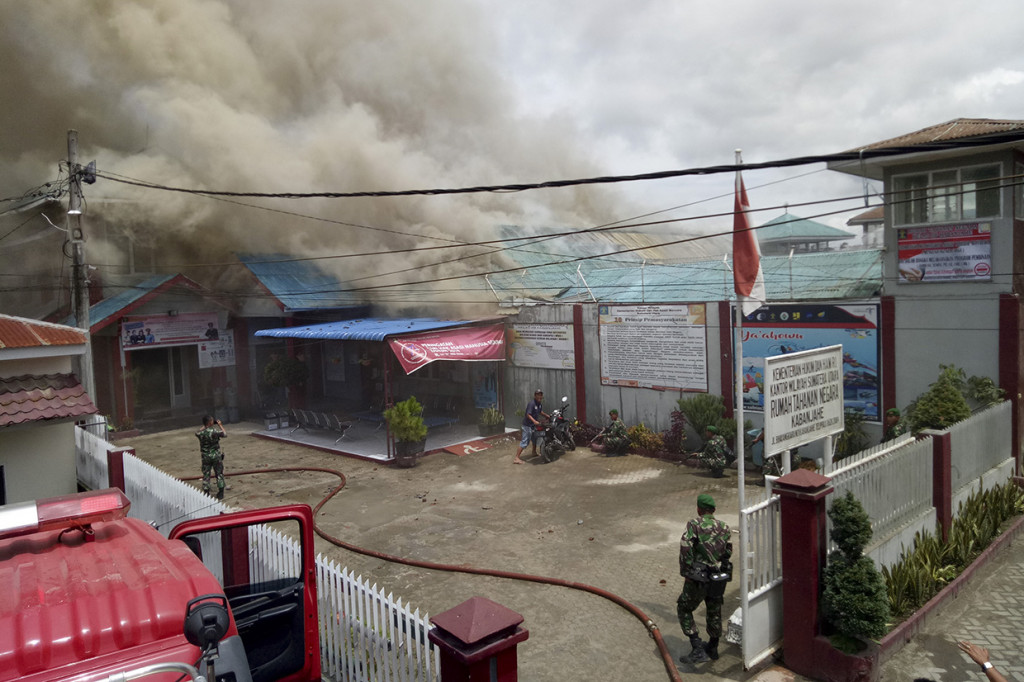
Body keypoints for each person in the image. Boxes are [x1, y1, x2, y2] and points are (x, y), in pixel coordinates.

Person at [677, 493, 732, 664]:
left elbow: (685, 547)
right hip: (716, 578)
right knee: (714, 611)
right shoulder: (724, 527)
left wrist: (686, 572)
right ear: (714, 510)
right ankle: (713, 648)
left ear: (699, 509)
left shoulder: (694, 525)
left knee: (684, 608)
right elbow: (728, 551)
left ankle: (697, 648)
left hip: (698, 577)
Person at [196, 415, 228, 499]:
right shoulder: (214, 431)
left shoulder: (201, 433)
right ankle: (220, 492)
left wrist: (205, 426)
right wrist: (220, 425)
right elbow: (224, 434)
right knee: (219, 473)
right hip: (216, 456)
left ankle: (206, 492)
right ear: (210, 422)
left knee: (206, 474)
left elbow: (197, 432)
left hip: (205, 456)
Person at [513, 389, 548, 464]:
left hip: (533, 426)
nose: (539, 396)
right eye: (538, 395)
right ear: (535, 396)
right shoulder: (531, 404)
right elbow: (528, 414)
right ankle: (516, 458)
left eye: (540, 395)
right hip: (527, 426)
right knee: (525, 441)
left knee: (535, 439)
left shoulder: (539, 404)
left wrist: (546, 415)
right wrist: (534, 421)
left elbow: (540, 411)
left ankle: (534, 452)